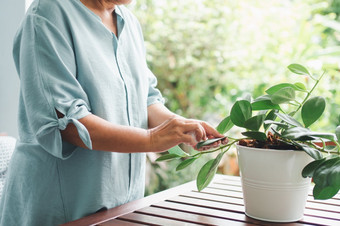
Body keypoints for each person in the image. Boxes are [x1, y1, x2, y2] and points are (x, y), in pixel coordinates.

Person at [0, 0, 227, 225]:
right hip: (60, 211)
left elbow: (146, 100)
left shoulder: (128, 21)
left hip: (122, 207)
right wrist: (152, 139)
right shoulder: (48, 14)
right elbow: (69, 126)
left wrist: (180, 126)